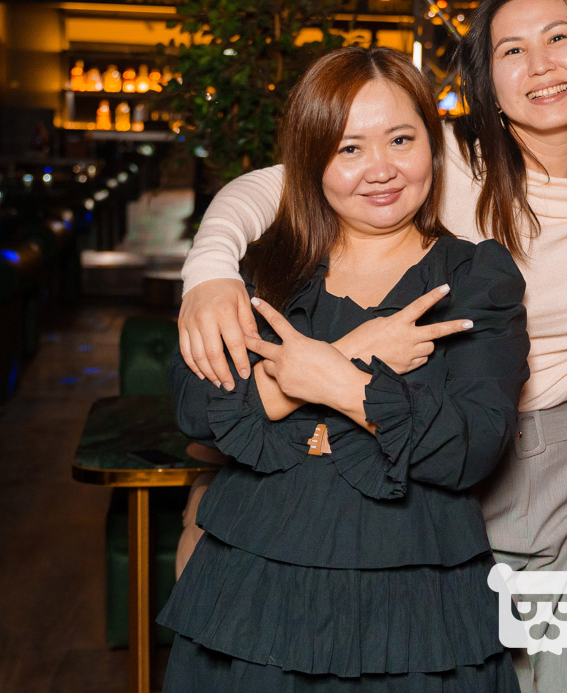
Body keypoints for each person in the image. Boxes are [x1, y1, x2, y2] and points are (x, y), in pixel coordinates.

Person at [174, 0, 567, 693]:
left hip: (537, 455)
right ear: (486, 81)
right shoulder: (436, 166)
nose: (540, 64)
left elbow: (468, 443)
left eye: (559, 38)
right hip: (287, 549)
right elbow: (271, 189)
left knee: (544, 667)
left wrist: (327, 382)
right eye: (512, 49)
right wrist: (210, 272)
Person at [159, 46, 529, 690]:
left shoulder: (476, 278)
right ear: (311, 160)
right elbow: (195, 407)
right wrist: (353, 354)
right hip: (254, 601)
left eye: (401, 139)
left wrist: (333, 381)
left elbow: (470, 448)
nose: (381, 170)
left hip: (416, 612)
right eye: (348, 148)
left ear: (432, 145)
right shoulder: (266, 267)